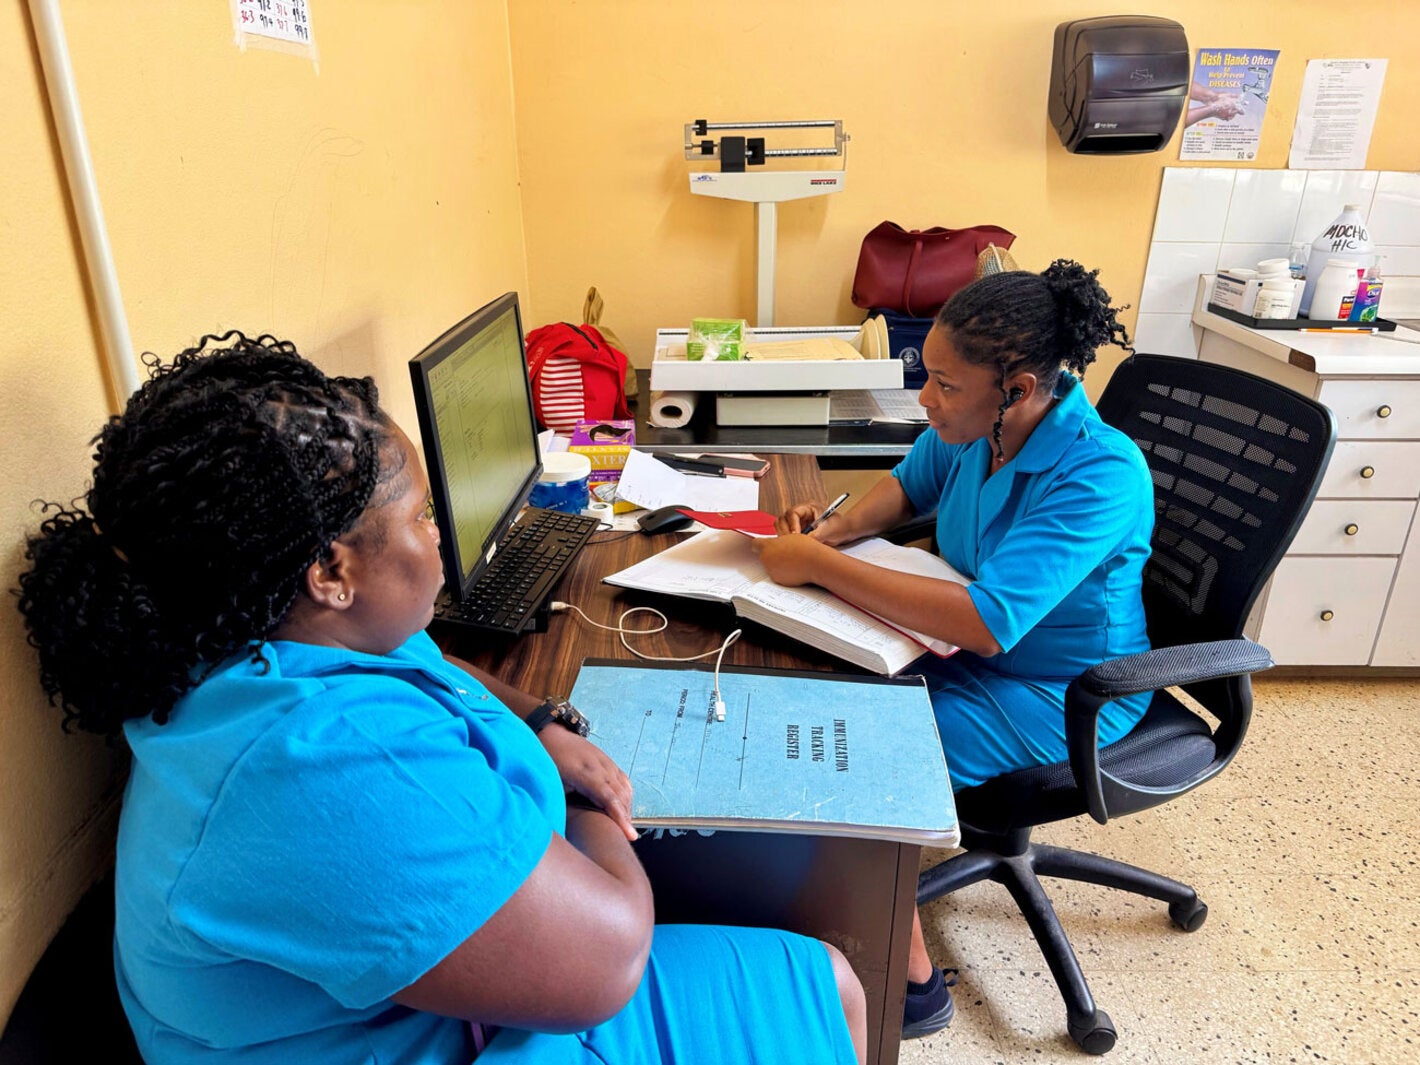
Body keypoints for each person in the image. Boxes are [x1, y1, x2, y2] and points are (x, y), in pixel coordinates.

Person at [16, 333, 866, 1065]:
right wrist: (584, 791)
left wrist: (540, 718)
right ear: (331, 570)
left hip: (443, 1004)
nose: (439, 539)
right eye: (422, 518)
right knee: (830, 987)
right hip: (459, 1031)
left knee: (799, 959)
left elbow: (435, 656)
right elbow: (607, 965)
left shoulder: (260, 634)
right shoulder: (312, 762)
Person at [753, 260, 1153, 1039]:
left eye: (943, 383)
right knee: (815, 696)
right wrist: (828, 532)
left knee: (853, 758)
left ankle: (914, 987)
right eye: (925, 376)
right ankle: (821, 900)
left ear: (1019, 385)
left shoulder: (1100, 471)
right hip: (969, 653)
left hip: (1067, 691)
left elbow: (987, 619)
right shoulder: (978, 432)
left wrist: (824, 567)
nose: (925, 399)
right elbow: (910, 482)